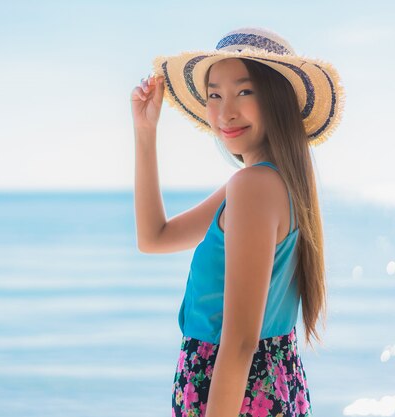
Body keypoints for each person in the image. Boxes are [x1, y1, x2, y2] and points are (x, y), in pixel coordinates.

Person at [130, 27, 345, 417]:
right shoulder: (274, 181)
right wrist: (146, 132)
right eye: (215, 94)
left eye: (244, 92)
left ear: (276, 97)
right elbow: (154, 237)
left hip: (234, 396)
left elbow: (241, 341)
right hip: (267, 386)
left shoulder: (252, 187)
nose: (225, 111)